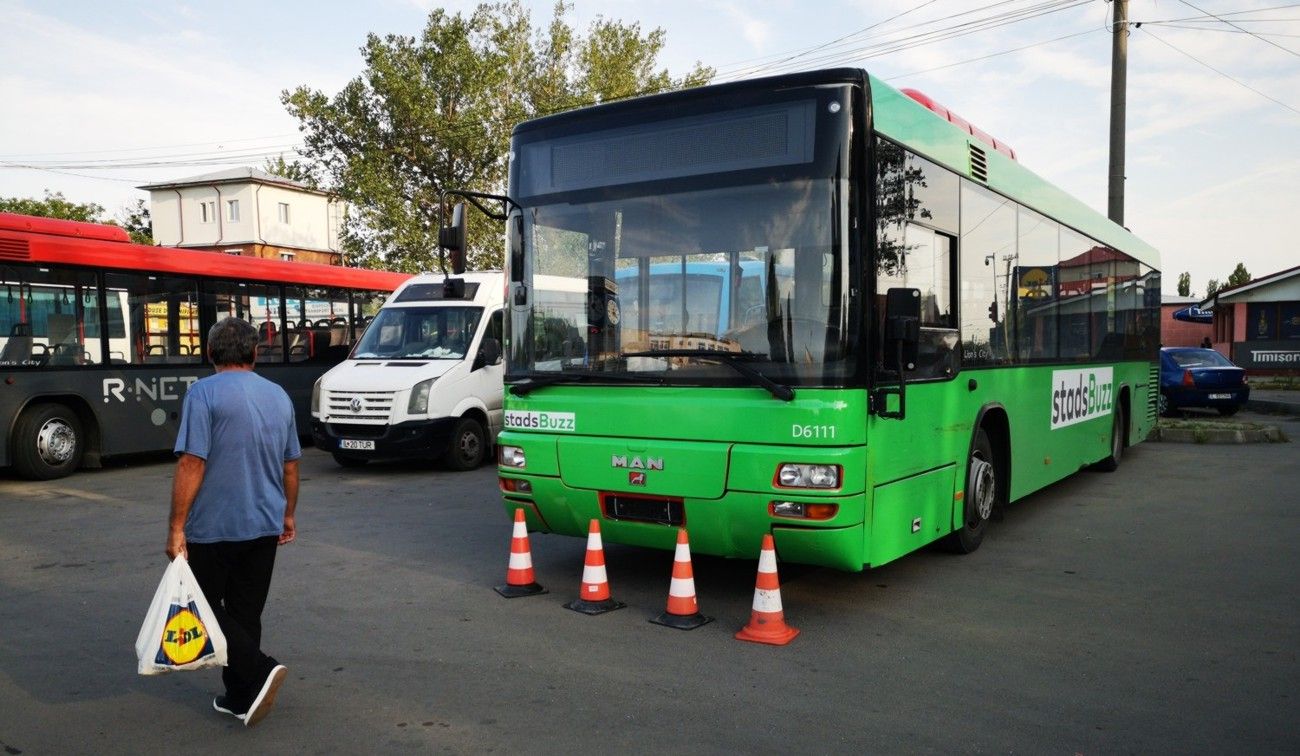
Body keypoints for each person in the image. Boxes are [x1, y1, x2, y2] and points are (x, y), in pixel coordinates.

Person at [166, 316, 300, 727]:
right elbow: (291, 465)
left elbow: (192, 461)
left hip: (214, 527)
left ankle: (258, 669)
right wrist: (288, 514)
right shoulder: (278, 395)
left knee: (204, 607)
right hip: (264, 522)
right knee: (245, 612)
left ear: (210, 353)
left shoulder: (203, 394)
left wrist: (176, 526)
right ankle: (241, 697)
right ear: (255, 352)